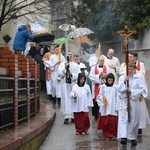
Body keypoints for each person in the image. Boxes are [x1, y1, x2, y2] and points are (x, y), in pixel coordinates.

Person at [119, 52, 150, 135]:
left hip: (137, 94)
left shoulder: (141, 65)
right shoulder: (124, 65)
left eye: (131, 57)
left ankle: (138, 127)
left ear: (135, 57)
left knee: (138, 112)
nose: (130, 58)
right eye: (129, 57)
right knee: (125, 116)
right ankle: (125, 133)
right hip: (127, 94)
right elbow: (121, 73)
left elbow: (142, 73)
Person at [117, 63, 147, 147]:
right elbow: (118, 89)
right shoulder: (122, 77)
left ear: (135, 69)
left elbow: (142, 89)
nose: (130, 71)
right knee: (123, 119)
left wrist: (132, 91)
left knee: (134, 120)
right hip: (124, 101)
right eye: (128, 69)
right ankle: (123, 137)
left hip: (134, 101)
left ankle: (132, 137)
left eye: (131, 69)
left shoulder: (140, 77)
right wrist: (124, 82)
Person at [57, 51, 81, 124]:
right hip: (65, 85)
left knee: (73, 100)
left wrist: (72, 75)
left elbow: (78, 74)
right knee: (65, 100)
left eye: (71, 55)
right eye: (68, 55)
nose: (70, 56)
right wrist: (65, 68)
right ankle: (66, 117)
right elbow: (59, 74)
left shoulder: (75, 65)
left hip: (73, 84)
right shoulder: (62, 64)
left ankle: (73, 116)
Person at [96, 73, 118, 139]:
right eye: (109, 80)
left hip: (113, 106)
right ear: (107, 80)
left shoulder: (115, 87)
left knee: (113, 122)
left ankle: (113, 134)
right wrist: (103, 101)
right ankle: (106, 134)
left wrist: (117, 106)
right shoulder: (103, 87)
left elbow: (117, 97)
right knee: (105, 121)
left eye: (111, 80)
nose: (110, 82)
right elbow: (99, 96)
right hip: (105, 106)